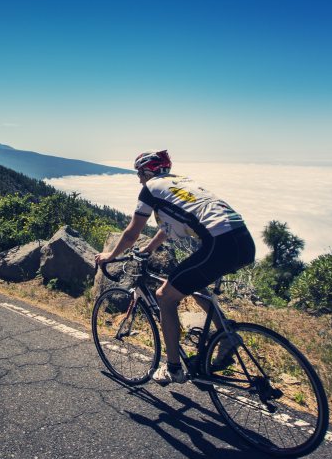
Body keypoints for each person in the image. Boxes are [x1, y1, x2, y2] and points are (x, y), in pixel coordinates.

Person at [94, 150, 255, 384]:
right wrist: (149, 249)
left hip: (218, 244)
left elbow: (131, 233)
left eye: (139, 173)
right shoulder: (182, 183)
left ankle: (173, 368)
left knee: (165, 296)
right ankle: (226, 335)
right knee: (194, 285)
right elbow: (169, 227)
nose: (139, 178)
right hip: (242, 241)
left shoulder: (150, 188)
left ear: (148, 171)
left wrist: (110, 256)